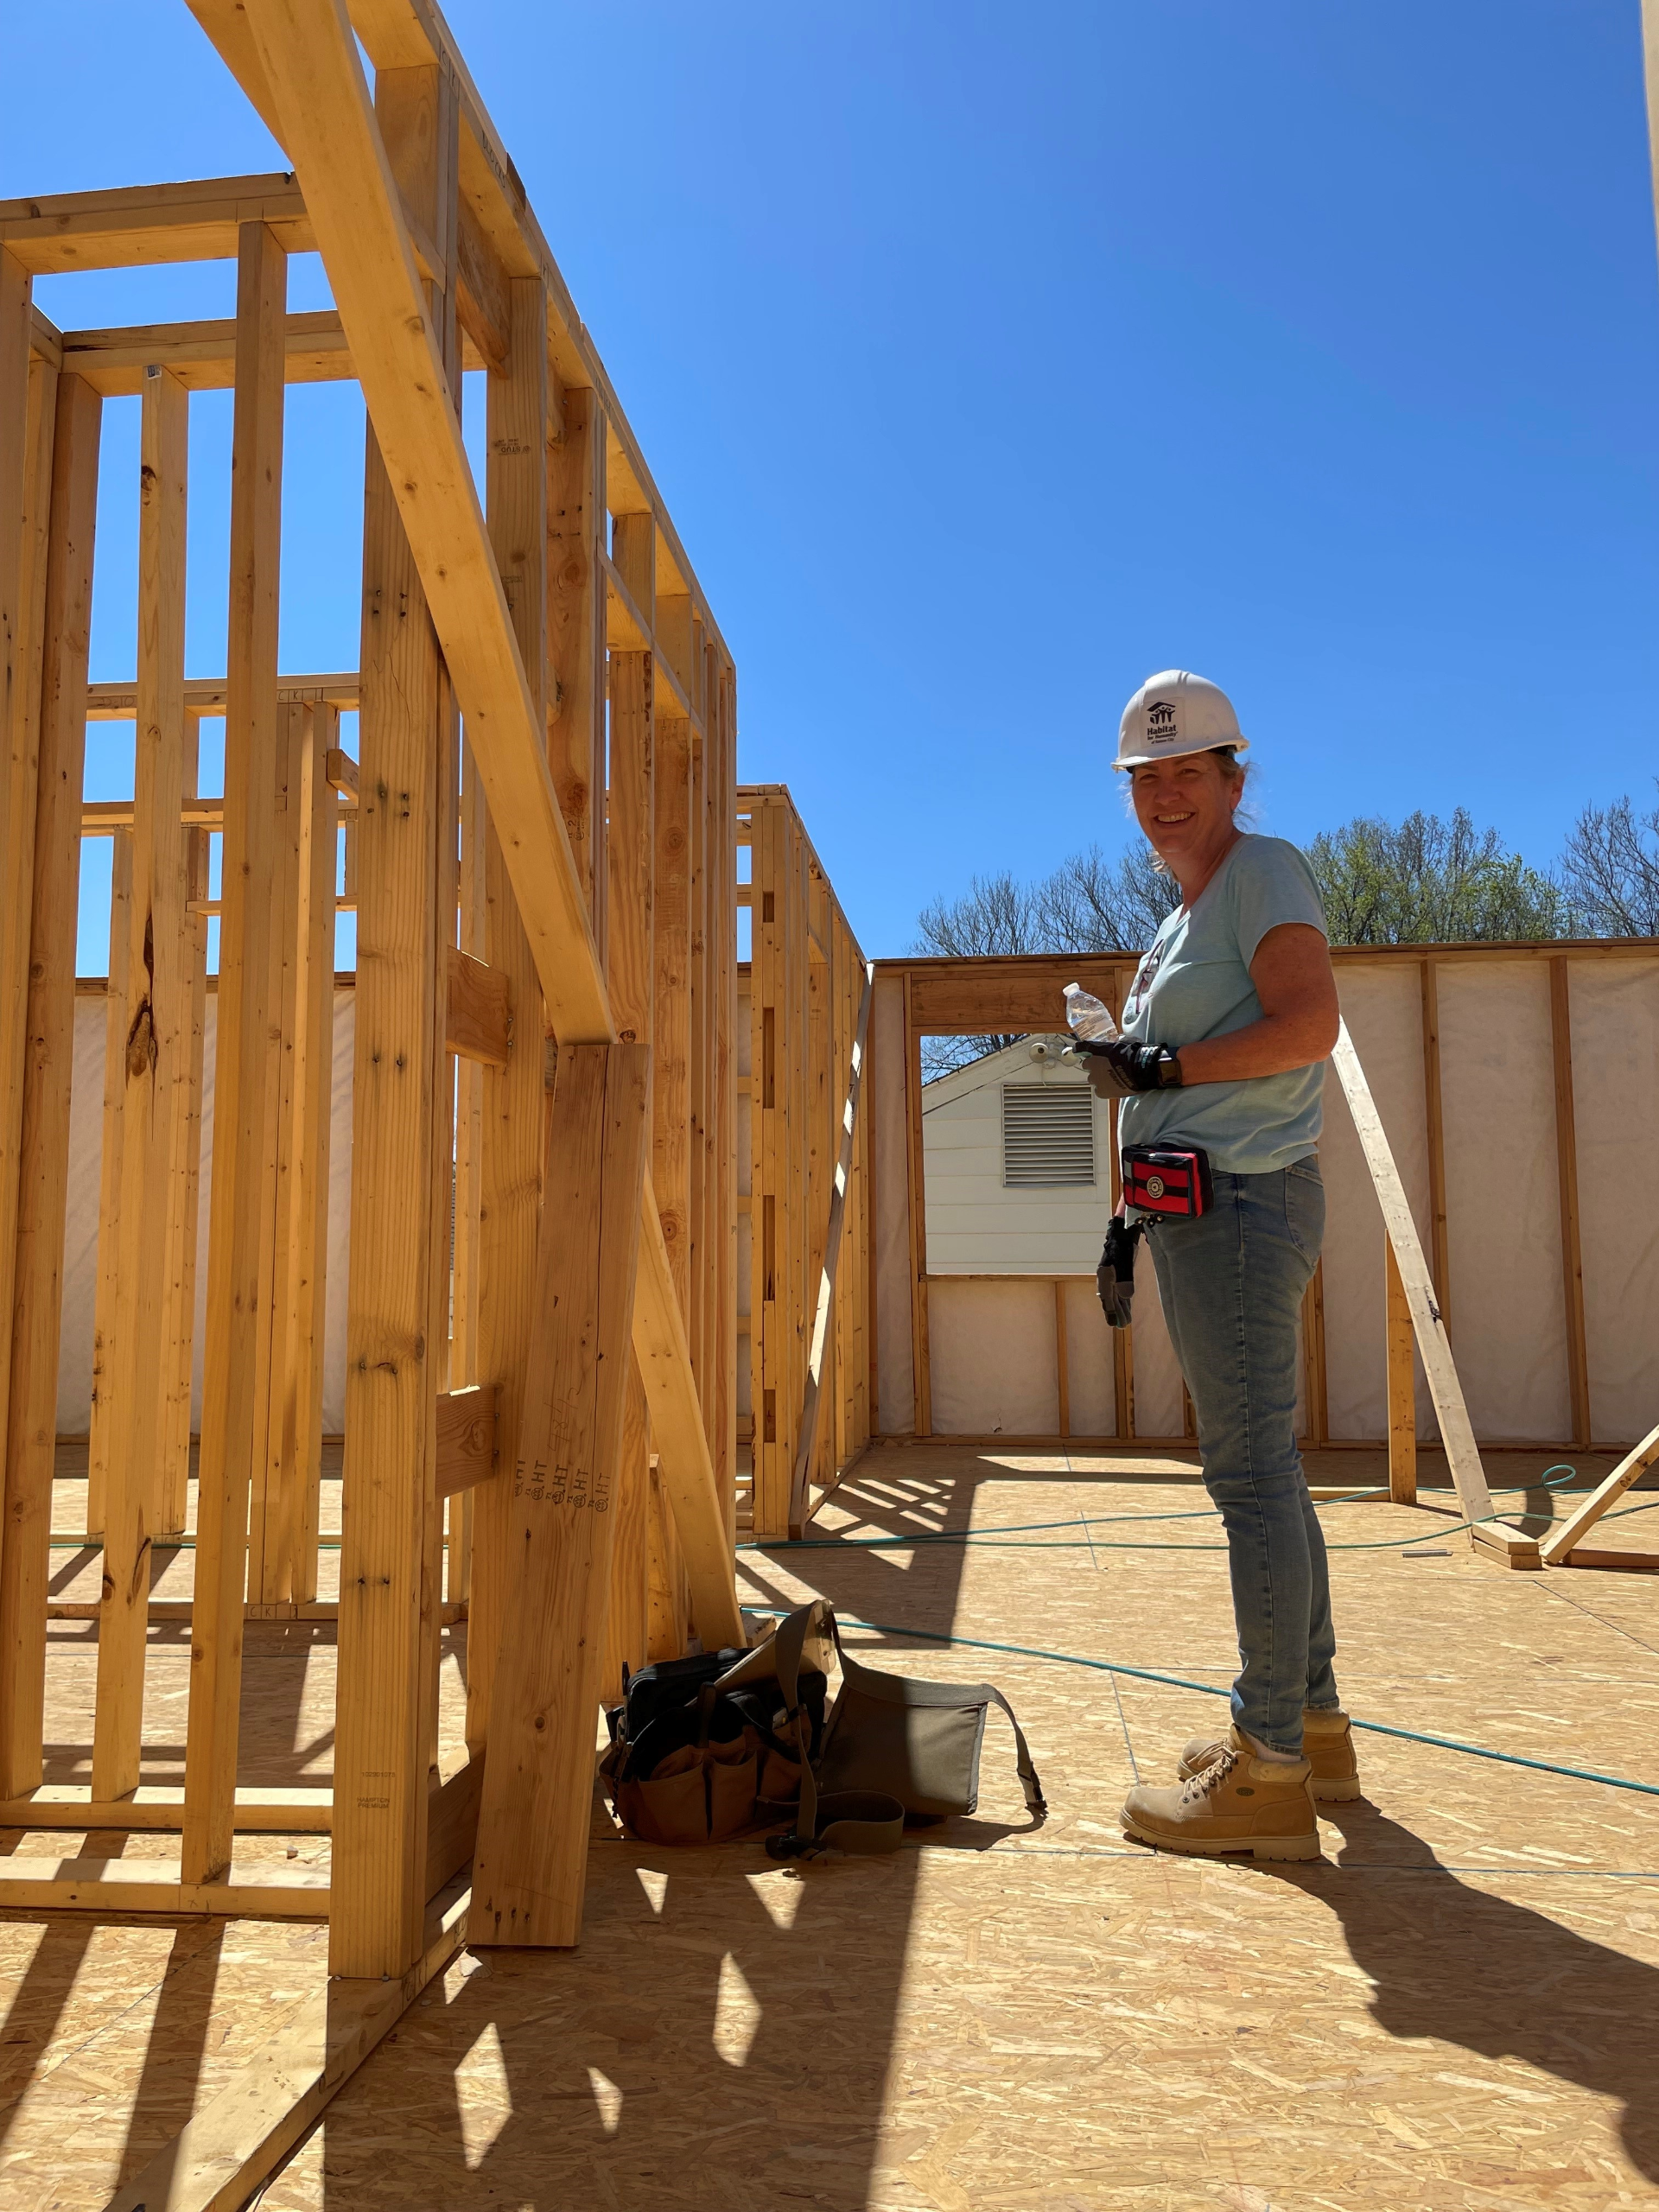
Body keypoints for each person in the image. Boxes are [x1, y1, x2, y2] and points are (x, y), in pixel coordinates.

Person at [1082, 669, 1356, 1863]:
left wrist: (1157, 1074)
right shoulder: (1181, 923)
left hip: (1241, 1205)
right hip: (1204, 1211)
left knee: (1249, 1477)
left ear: (1235, 778)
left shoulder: (1263, 872)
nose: (1164, 797)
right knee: (1269, 1472)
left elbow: (1308, 1028)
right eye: (1147, 779)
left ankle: (1269, 1772)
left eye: (1186, 772)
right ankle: (1310, 1722)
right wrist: (1129, 1056)